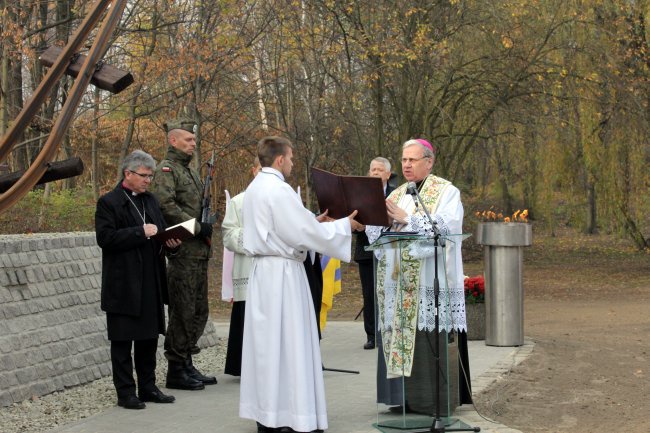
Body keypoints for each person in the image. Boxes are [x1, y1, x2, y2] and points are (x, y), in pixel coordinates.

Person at [239, 136, 361, 433]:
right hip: (283, 276)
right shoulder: (279, 190)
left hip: (263, 274)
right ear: (279, 160)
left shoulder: (255, 187)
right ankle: (296, 415)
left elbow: (290, 226)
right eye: (291, 158)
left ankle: (269, 413)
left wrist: (315, 221)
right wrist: (345, 225)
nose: (293, 163)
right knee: (291, 343)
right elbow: (302, 233)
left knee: (268, 347)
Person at [366, 138, 471, 414]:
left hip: (428, 278)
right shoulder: (397, 194)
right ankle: (404, 399)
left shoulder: (447, 191)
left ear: (429, 161)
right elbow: (376, 231)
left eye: (412, 160)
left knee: (427, 337)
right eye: (404, 160)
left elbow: (447, 227)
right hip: (399, 281)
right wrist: (381, 224)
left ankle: (431, 401)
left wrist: (407, 219)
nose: (407, 165)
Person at [95, 150, 179, 410]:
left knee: (148, 338)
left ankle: (148, 387)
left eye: (151, 176)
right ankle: (125, 393)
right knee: (122, 341)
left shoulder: (151, 200)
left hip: (150, 280)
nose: (148, 181)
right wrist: (138, 232)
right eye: (144, 176)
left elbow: (161, 233)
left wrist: (172, 244)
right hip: (122, 283)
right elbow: (105, 239)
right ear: (128, 174)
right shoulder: (109, 202)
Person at [149, 119, 217, 391]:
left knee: (199, 310)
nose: (193, 144)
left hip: (198, 252)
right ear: (173, 141)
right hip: (183, 251)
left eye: (193, 140)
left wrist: (208, 221)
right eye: (188, 140)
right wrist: (198, 226)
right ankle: (176, 367)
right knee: (183, 310)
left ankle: (187, 361)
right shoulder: (167, 170)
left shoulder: (190, 171)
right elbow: (164, 204)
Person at [221, 157, 261, 377]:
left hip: (274, 269)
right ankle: (242, 365)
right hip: (247, 266)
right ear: (253, 170)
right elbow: (228, 235)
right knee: (245, 316)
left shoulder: (282, 199)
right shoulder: (239, 201)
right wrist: (256, 238)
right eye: (260, 169)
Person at [353, 157, 394, 350]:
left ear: (388, 174)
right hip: (367, 251)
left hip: (391, 252)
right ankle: (372, 335)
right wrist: (357, 227)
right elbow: (351, 219)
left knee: (390, 291)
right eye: (373, 169)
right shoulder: (359, 194)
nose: (375, 173)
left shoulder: (398, 194)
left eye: (379, 169)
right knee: (369, 294)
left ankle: (391, 330)